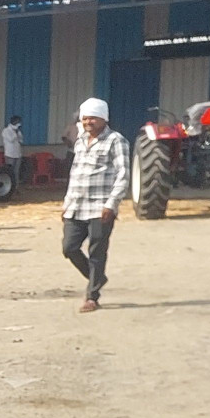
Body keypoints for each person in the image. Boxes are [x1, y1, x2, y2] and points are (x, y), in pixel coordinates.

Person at [61, 98, 130, 313]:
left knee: (97, 251)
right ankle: (97, 277)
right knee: (69, 247)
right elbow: (75, 174)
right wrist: (66, 203)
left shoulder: (116, 141)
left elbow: (123, 174)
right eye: (85, 117)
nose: (88, 121)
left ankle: (92, 296)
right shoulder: (80, 140)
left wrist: (112, 204)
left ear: (104, 119)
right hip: (76, 205)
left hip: (101, 207)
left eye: (93, 117)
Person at [2, 115, 25, 187]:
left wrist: (18, 133)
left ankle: (16, 187)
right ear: (14, 122)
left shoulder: (18, 131)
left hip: (18, 154)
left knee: (16, 172)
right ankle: (9, 186)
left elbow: (21, 140)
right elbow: (10, 139)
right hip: (10, 154)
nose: (19, 124)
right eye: (18, 122)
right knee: (9, 171)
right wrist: (15, 133)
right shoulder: (6, 131)